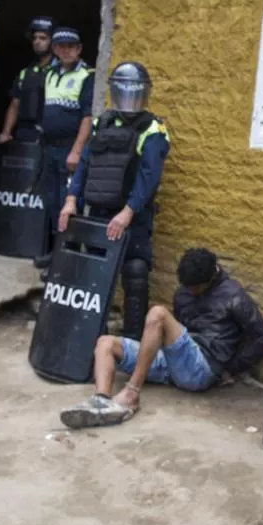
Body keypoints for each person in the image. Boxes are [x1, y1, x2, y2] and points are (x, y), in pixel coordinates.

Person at [59, 248, 263, 428]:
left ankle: (131, 393)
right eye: (186, 286)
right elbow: (177, 336)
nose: (189, 291)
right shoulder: (183, 293)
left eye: (194, 287)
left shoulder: (234, 296)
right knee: (105, 343)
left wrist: (229, 369)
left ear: (210, 279)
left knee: (158, 314)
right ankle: (101, 402)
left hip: (201, 367)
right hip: (173, 361)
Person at [57, 61, 170, 339]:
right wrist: (71, 199)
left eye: (135, 90)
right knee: (93, 272)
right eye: (124, 89)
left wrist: (128, 212)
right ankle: (88, 334)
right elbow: (84, 163)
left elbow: (149, 176)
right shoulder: (102, 122)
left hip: (132, 215)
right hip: (97, 211)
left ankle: (131, 342)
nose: (130, 96)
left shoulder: (153, 129)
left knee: (134, 271)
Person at [33, 26, 94, 270]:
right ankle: (55, 253)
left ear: (79, 49)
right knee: (51, 203)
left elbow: (87, 118)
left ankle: (66, 261)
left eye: (72, 46)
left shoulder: (87, 76)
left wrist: (77, 151)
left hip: (70, 150)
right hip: (51, 149)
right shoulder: (49, 74)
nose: (67, 50)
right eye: (62, 46)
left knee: (68, 205)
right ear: (55, 49)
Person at [0, 16, 57, 145]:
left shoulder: (60, 71)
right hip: (25, 133)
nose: (37, 42)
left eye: (43, 38)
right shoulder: (26, 72)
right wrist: (6, 132)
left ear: (52, 42)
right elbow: (14, 104)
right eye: (35, 38)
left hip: (49, 135)